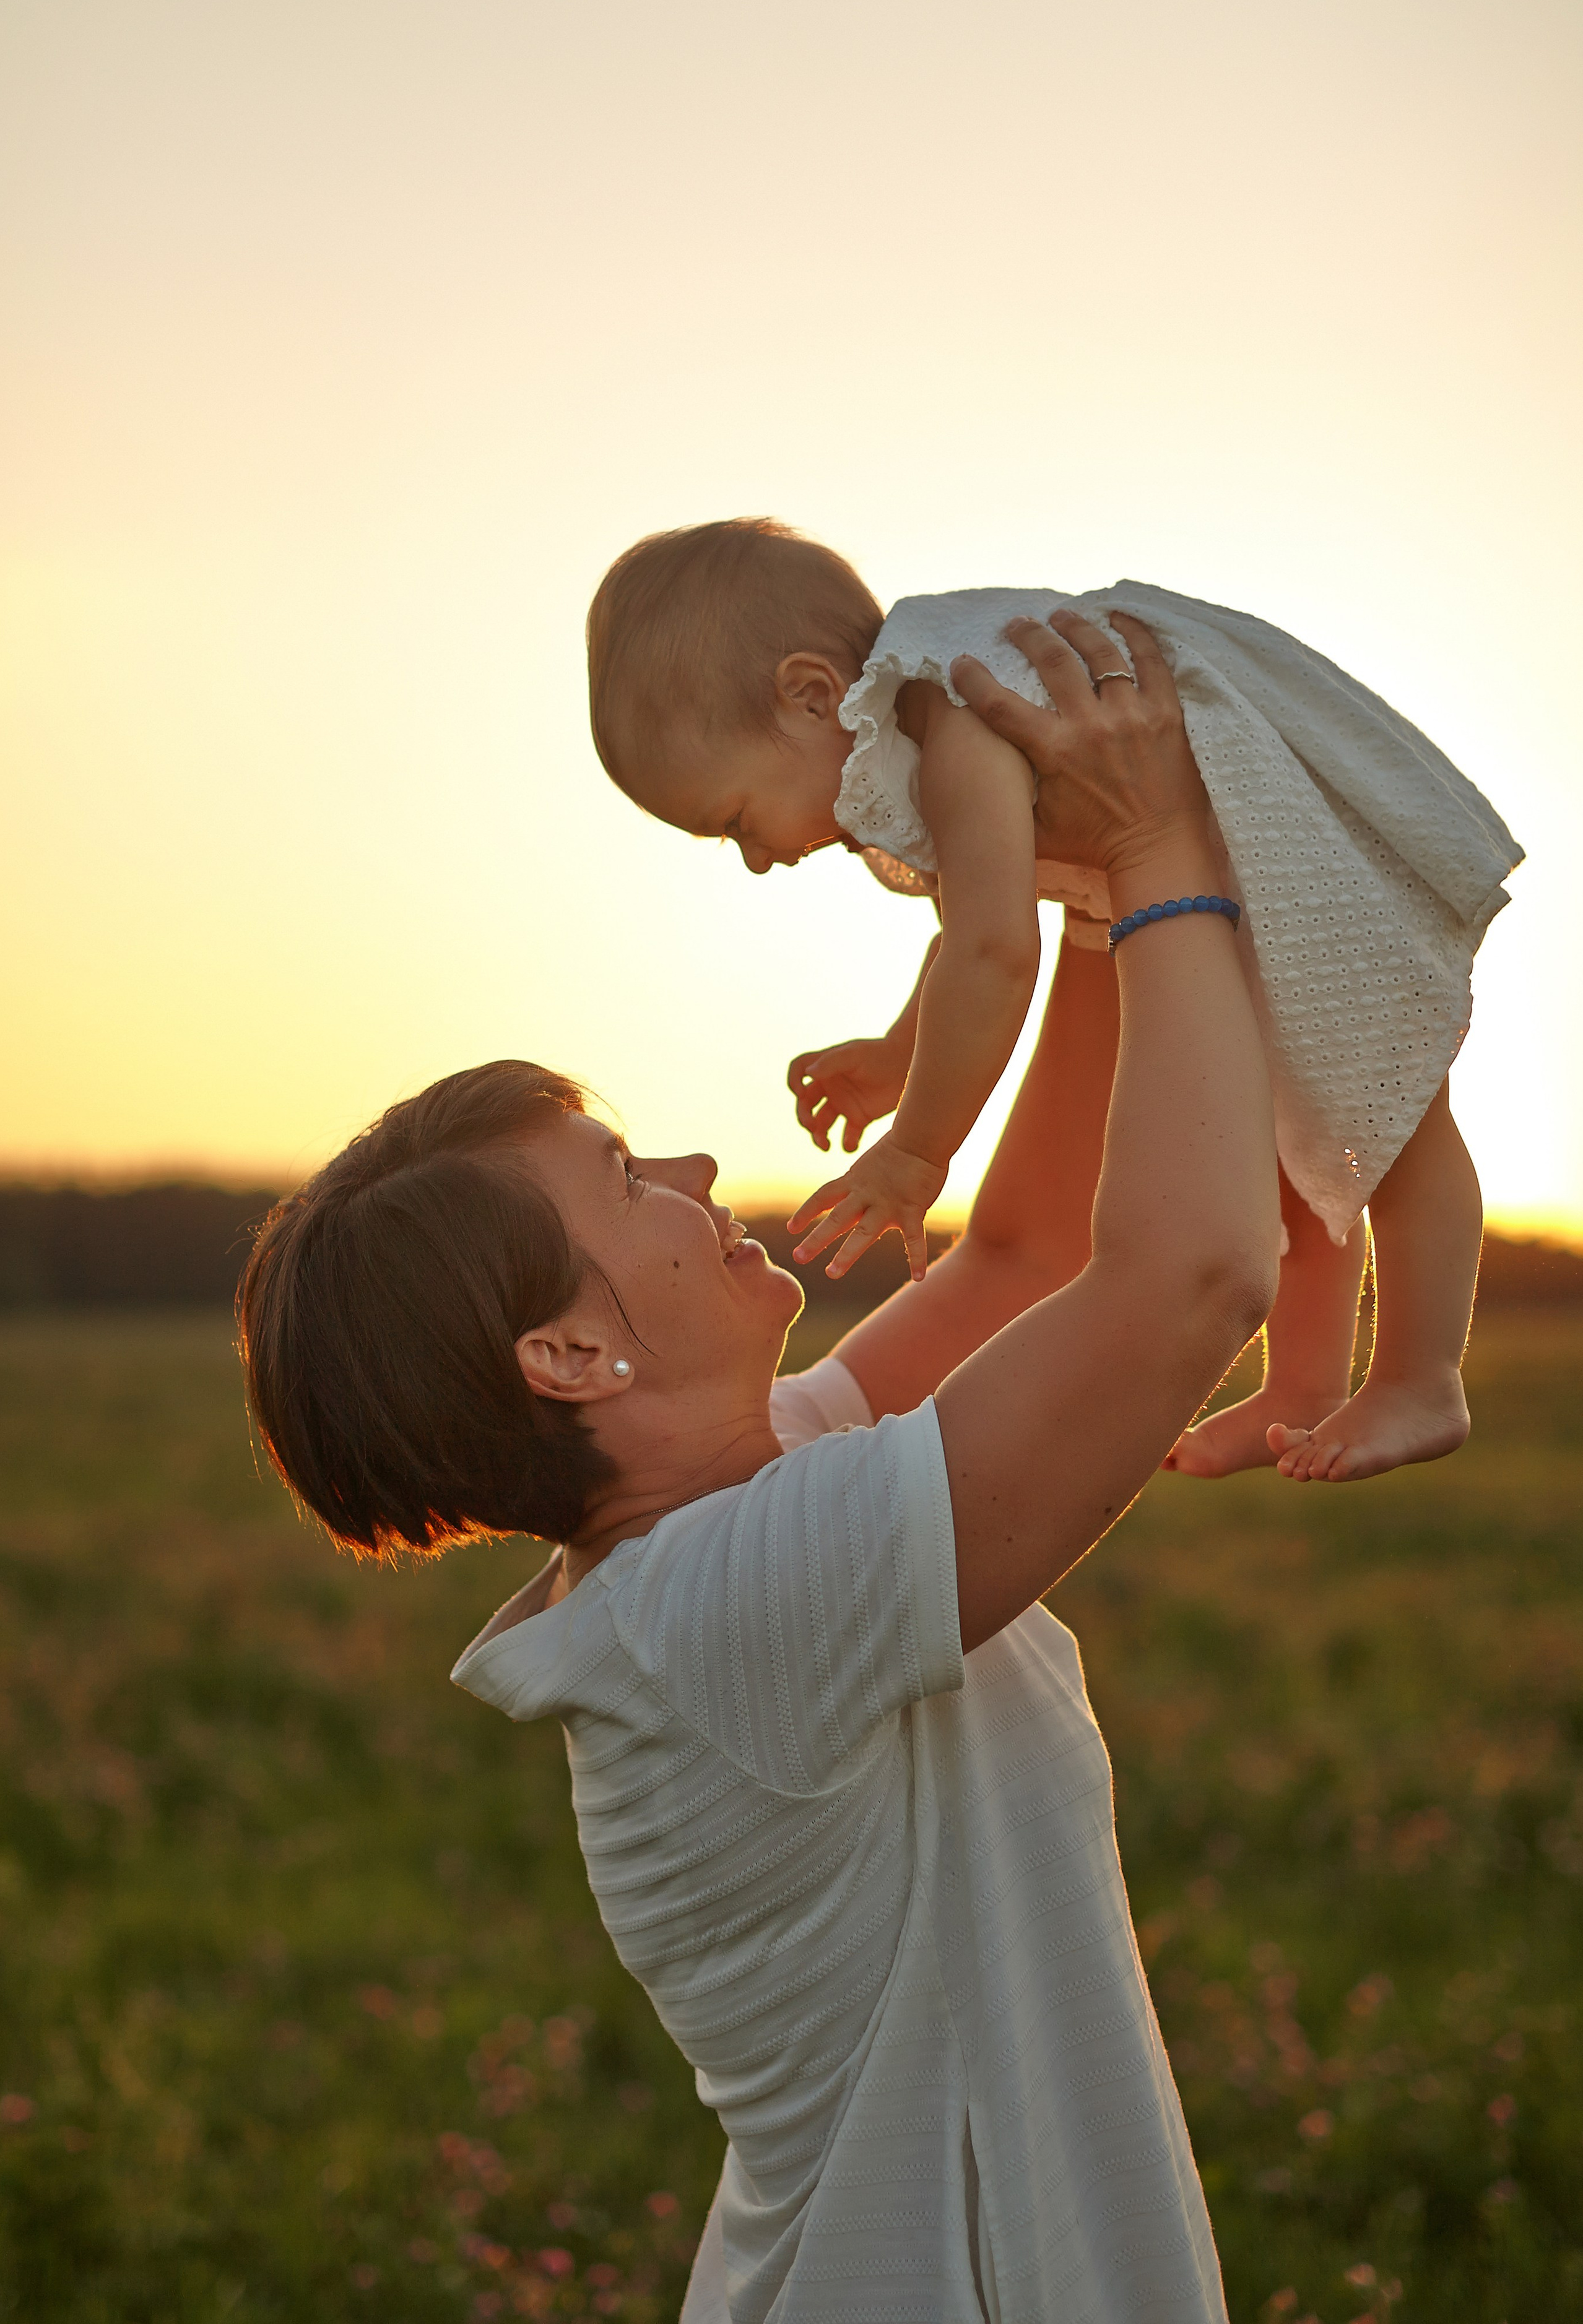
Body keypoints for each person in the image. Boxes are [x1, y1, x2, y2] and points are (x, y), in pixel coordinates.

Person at [240, 609, 1282, 2322]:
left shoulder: (741, 1501)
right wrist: (1167, 845)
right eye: (621, 1177)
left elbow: (1018, 1258)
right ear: (570, 1357)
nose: (696, 1161)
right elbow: (1190, 1277)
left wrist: (1080, 889)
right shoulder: (727, 1611)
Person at [586, 520, 1523, 1483]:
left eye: (736, 819)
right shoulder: (928, 731)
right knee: (1286, 1149)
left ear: (812, 692)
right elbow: (965, 934)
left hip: (1296, 868)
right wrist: (899, 1049)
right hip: (1230, 887)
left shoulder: (959, 714)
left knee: (1395, 1125)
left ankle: (1420, 1377)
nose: (755, 858)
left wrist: (917, 1148)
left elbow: (997, 953)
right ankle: (1304, 1388)